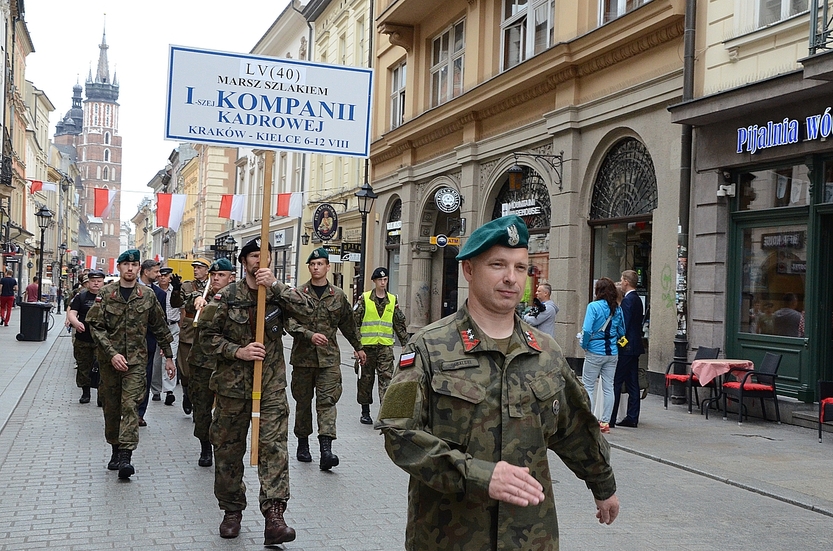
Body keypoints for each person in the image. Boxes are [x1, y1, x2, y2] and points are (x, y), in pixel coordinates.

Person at [377, 215, 619, 550]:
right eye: (497, 264)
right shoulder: (428, 348)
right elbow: (398, 434)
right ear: (469, 270)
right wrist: (477, 474)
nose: (511, 278)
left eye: (521, 268)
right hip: (449, 536)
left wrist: (602, 484)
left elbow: (575, 428)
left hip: (531, 535)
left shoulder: (546, 352)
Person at [202, 238, 314, 545]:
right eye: (254, 255)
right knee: (227, 451)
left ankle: (274, 517)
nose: (259, 260)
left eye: (264, 255)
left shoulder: (278, 294)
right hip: (232, 390)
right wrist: (237, 351)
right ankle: (232, 510)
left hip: (271, 387)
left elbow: (310, 314)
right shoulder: (226, 297)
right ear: (244, 261)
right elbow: (206, 338)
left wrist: (276, 286)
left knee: (274, 449)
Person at [86, 249, 175, 480]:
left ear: (139, 269)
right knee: (112, 407)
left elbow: (160, 327)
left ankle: (126, 456)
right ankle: (115, 449)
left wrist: (169, 357)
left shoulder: (146, 295)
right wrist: (111, 353)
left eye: (134, 265)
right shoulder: (106, 294)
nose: (129, 269)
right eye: (125, 264)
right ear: (119, 268)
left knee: (130, 406)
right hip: (110, 362)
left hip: (136, 362)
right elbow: (95, 326)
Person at [284, 247, 365, 470]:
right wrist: (308, 335)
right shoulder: (298, 294)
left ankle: (326, 450)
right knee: (302, 402)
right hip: (303, 359)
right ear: (309, 268)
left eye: (320, 264)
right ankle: (302, 443)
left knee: (327, 402)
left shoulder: (338, 295)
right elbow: (289, 322)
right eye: (313, 264)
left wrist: (359, 348)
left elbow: (348, 323)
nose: (316, 267)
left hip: (329, 360)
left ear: (328, 267)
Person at [186, 258, 235, 467]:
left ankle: (222, 446)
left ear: (230, 277)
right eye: (213, 275)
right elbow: (188, 300)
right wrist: (197, 297)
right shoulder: (203, 295)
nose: (216, 278)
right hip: (201, 362)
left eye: (221, 275)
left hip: (227, 362)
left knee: (226, 409)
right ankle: (205, 446)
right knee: (202, 408)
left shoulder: (237, 297)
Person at [352, 266, 408, 425]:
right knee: (365, 380)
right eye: (380, 280)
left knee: (387, 379)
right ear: (374, 281)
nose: (383, 283)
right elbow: (354, 323)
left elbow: (399, 324)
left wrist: (405, 344)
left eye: (385, 279)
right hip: (366, 348)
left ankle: (386, 413)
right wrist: (357, 347)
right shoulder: (364, 299)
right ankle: (365, 412)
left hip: (385, 348)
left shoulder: (392, 300)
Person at [579, 277, 625, 433]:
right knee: (608, 387)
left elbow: (587, 330)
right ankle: (605, 422)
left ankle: (590, 420)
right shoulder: (617, 309)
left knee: (588, 386)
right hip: (612, 352)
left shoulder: (593, 306)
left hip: (594, 351)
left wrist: (584, 345)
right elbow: (622, 332)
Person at [611, 269, 645, 429]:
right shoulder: (637, 299)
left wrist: (618, 342)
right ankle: (632, 416)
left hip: (626, 347)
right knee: (632, 383)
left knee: (617, 381)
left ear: (625, 281)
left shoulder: (627, 301)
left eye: (621, 279)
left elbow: (623, 324)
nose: (621, 282)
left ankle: (611, 416)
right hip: (636, 345)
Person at [136, 260, 168, 427]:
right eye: (156, 272)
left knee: (146, 378)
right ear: (146, 272)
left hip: (148, 342)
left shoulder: (159, 294)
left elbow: (161, 322)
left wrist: (164, 345)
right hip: (126, 343)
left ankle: (140, 413)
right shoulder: (129, 287)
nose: (158, 275)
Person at [178, 258, 211, 416]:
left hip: (206, 331)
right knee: (185, 370)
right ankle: (186, 393)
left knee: (201, 370)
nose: (196, 270)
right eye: (194, 267)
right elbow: (182, 300)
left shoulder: (214, 285)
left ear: (207, 270)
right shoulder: (187, 285)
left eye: (199, 267)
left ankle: (198, 401)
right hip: (189, 330)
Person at [68, 270, 106, 405]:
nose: (96, 283)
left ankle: (101, 395)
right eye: (93, 281)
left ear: (103, 282)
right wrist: (76, 322)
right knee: (83, 366)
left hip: (102, 340)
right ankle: (85, 392)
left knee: (102, 367)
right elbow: (72, 312)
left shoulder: (109, 297)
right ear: (88, 282)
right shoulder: (81, 297)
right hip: (83, 338)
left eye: (99, 281)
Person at [150, 266, 184, 404]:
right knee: (156, 361)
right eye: (161, 275)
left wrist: (180, 327)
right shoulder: (153, 290)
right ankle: (156, 390)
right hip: (156, 328)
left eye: (166, 275)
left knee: (170, 358)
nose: (163, 278)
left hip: (172, 327)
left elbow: (181, 308)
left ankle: (169, 391)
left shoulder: (176, 289)